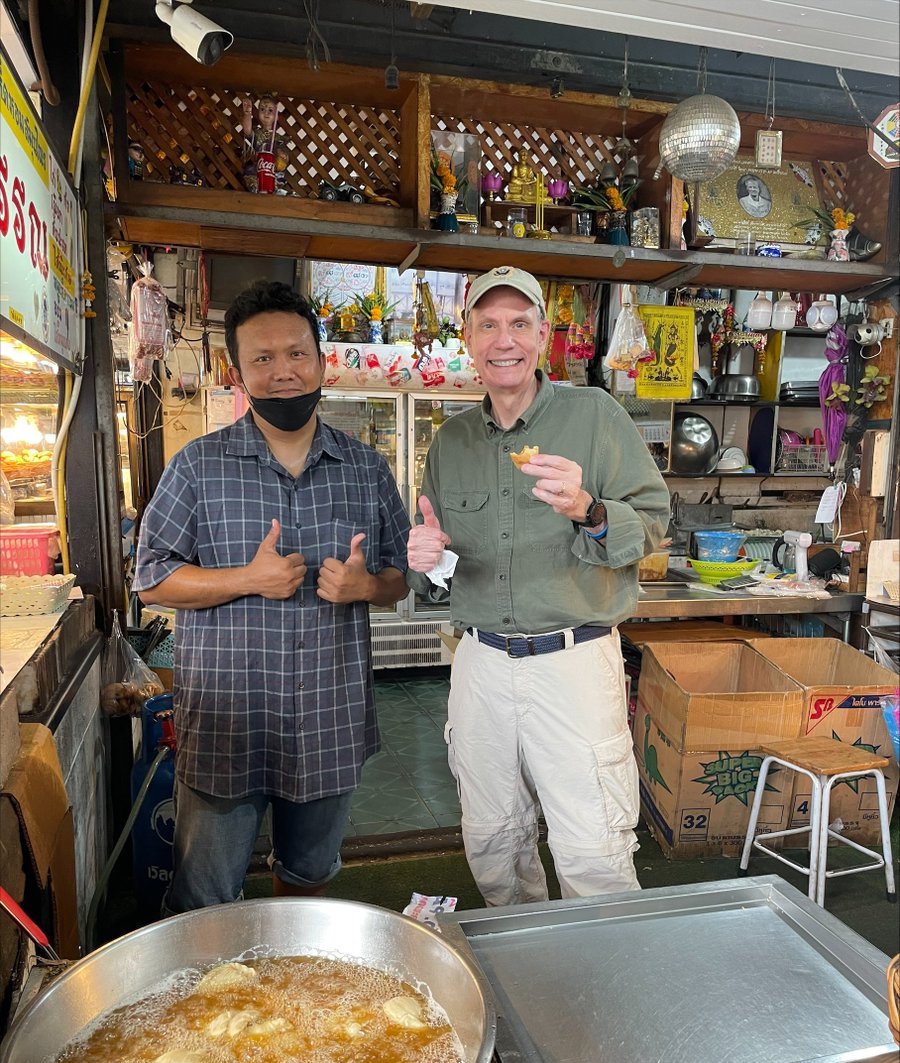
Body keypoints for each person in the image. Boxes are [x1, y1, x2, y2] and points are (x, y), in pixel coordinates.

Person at [134, 281, 410, 913]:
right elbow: (150, 578)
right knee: (205, 895)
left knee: (309, 881)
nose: (283, 372)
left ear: (321, 362)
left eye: (296, 354)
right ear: (238, 371)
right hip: (229, 721)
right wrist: (246, 579)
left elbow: (399, 580)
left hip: (328, 716)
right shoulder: (197, 466)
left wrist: (367, 586)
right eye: (263, 358)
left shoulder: (365, 468)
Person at [406, 266, 670, 906]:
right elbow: (447, 565)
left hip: (574, 662)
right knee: (494, 841)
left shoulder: (596, 416)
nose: (505, 340)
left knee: (594, 850)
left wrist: (589, 509)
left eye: (520, 324)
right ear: (467, 338)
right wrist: (429, 557)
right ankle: (527, 980)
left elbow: (656, 525)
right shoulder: (452, 440)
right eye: (489, 324)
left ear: (544, 336)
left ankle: (607, 993)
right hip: (479, 664)